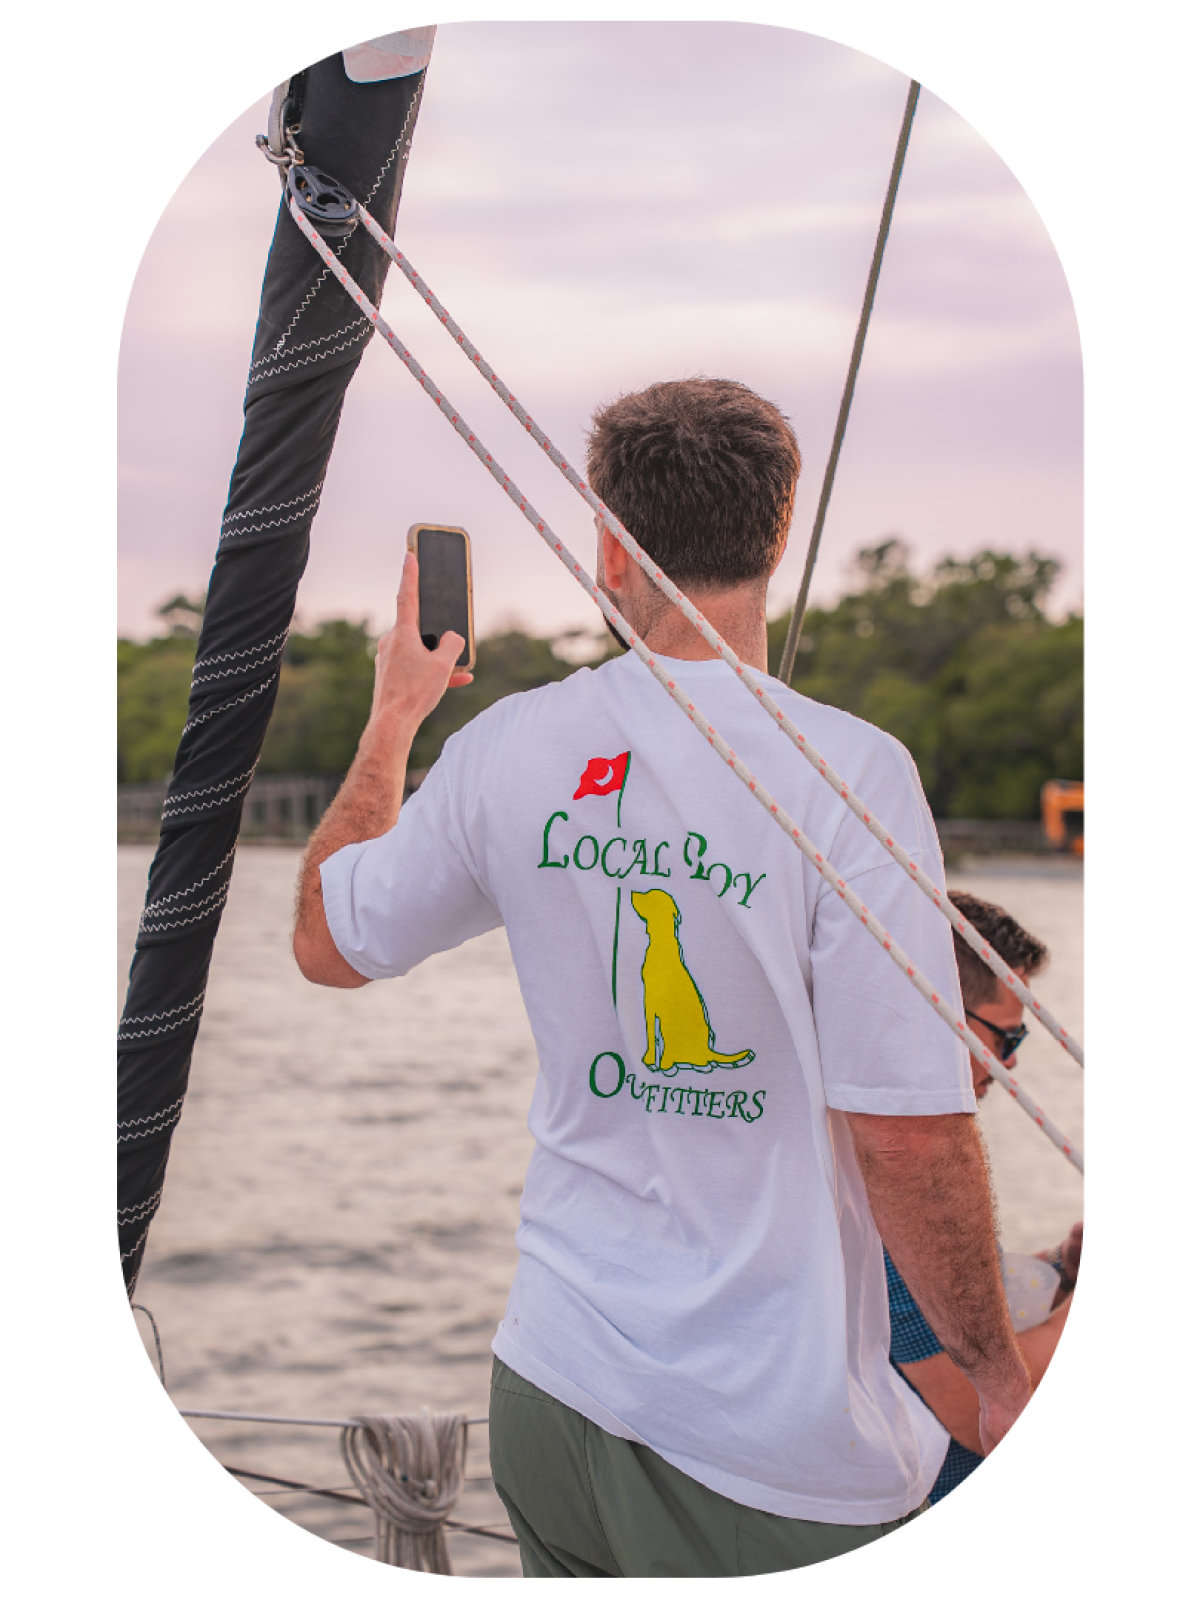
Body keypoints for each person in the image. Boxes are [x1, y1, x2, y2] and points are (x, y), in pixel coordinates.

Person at [292, 378, 1033, 1577]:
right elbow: (905, 1133)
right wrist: (996, 1379)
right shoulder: (852, 773)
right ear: (779, 532)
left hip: (554, 1387)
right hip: (765, 1447)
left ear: (608, 540)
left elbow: (328, 940)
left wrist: (394, 718)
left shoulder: (505, 750)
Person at [885, 890, 1081, 1506]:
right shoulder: (892, 1180)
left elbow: (966, 1304)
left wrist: (1057, 1271)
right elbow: (975, 1404)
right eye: (1008, 1033)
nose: (1012, 1061)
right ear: (940, 1011)